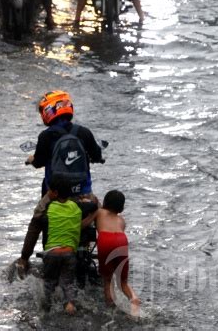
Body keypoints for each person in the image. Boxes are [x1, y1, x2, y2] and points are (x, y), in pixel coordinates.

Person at [16, 173, 98, 314]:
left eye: (49, 191)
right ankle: (70, 305)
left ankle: (46, 308)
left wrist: (24, 257)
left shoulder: (49, 207)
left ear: (55, 193)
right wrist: (92, 208)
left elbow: (36, 224)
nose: (47, 193)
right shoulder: (76, 206)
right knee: (68, 283)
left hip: (51, 253)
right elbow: (93, 206)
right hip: (70, 253)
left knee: (48, 282)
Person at [25, 90, 104, 196]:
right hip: (82, 192)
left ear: (48, 110)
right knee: (99, 210)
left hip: (55, 193)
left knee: (39, 212)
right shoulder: (84, 132)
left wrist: (31, 160)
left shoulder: (46, 136)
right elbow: (96, 155)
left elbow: (38, 162)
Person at [95, 190, 140, 310]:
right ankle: (133, 298)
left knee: (107, 280)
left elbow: (86, 223)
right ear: (121, 207)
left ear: (105, 202)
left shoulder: (98, 212)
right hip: (121, 240)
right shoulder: (122, 220)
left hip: (106, 240)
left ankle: (109, 308)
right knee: (123, 282)